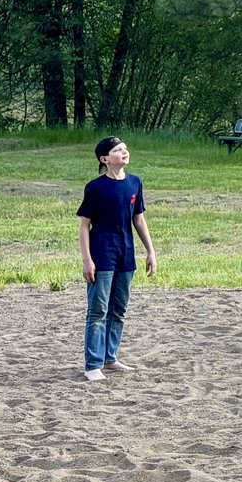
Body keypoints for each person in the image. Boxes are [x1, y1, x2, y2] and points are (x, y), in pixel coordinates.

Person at [77, 136, 159, 382]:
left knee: (119, 309)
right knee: (98, 310)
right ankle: (93, 365)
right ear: (105, 159)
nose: (124, 152)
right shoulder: (95, 187)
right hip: (102, 254)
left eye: (125, 148)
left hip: (126, 254)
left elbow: (138, 219)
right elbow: (84, 225)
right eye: (118, 150)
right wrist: (87, 260)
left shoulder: (135, 183)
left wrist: (151, 251)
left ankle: (109, 358)